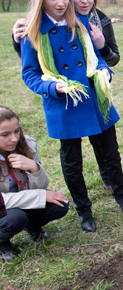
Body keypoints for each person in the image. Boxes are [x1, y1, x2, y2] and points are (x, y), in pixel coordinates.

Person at [19, 0, 123, 233]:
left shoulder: (80, 23)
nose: (60, 3)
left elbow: (97, 56)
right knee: (72, 162)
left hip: (95, 100)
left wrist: (104, 70)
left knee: (110, 153)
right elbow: (30, 73)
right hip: (64, 105)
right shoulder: (33, 33)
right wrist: (52, 86)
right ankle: (84, 209)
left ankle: (121, 195)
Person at [0, 106, 69, 261]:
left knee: (59, 205)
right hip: (4, 209)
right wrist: (40, 196)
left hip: (22, 200)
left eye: (16, 131)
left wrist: (34, 167)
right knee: (15, 218)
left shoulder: (28, 145)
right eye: (5, 134)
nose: (14, 138)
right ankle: (2, 242)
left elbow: (40, 186)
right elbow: (2, 201)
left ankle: (31, 224)